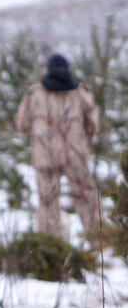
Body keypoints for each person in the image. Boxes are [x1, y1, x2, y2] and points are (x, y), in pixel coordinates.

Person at [16, 53, 100, 237]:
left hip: (45, 157)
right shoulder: (80, 93)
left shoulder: (35, 93)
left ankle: (51, 245)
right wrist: (83, 136)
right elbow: (94, 124)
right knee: (86, 197)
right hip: (75, 154)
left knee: (47, 202)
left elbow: (21, 124)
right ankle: (97, 240)